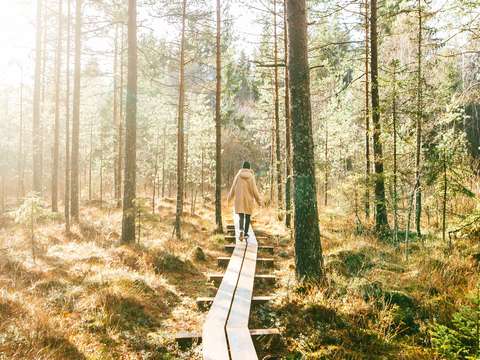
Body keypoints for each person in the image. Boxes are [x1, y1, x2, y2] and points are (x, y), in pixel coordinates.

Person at [227, 161, 263, 241]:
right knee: (247, 217)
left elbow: (233, 187)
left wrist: (229, 198)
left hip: (239, 199)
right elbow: (254, 190)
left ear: (242, 167)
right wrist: (259, 201)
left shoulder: (238, 175)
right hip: (248, 200)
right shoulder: (251, 177)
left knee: (241, 216)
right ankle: (246, 234)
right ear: (249, 168)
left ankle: (241, 230)